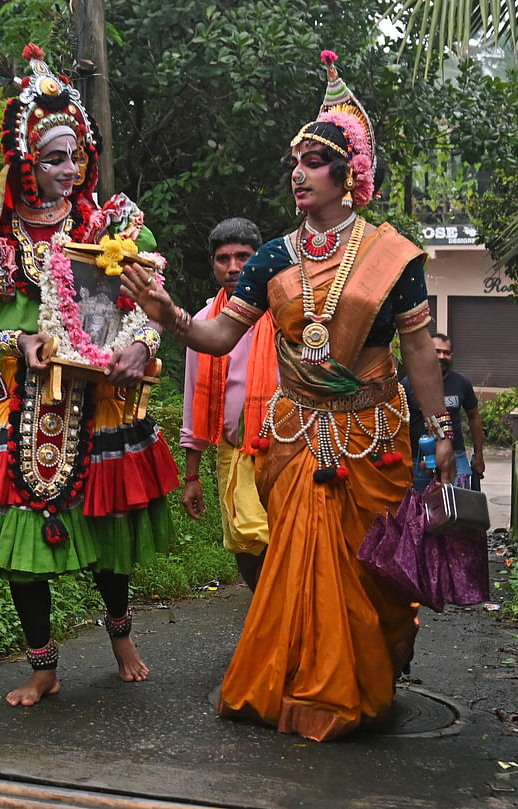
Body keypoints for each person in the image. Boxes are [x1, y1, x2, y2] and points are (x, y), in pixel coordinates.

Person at [120, 50, 457, 741]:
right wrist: (169, 314)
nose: (297, 174)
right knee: (296, 568)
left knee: (373, 575)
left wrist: (442, 428)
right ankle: (297, 686)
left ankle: (363, 680)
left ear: (349, 174)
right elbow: (218, 336)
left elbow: (419, 350)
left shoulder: (393, 257)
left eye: (313, 160)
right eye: (295, 163)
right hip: (297, 438)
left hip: (371, 435)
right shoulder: (273, 256)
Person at [0, 44, 178, 708]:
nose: (68, 170)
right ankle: (43, 666)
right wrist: (11, 337)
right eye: (53, 158)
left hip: (100, 403)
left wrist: (143, 342)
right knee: (21, 546)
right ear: (26, 163)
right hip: (23, 403)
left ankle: (121, 635)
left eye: (75, 156)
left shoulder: (107, 226)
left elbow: (148, 305)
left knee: (109, 533)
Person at [180, 218, 277, 589]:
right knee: (244, 539)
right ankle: (265, 613)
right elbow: (193, 399)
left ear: (261, 260)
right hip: (235, 450)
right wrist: (191, 476)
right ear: (213, 263)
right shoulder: (204, 322)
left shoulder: (285, 313)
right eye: (223, 258)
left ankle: (280, 619)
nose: (233, 267)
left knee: (285, 536)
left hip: (288, 448)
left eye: (243, 257)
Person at [402, 333, 485, 491]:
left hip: (455, 457)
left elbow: (474, 417)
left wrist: (479, 455)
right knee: (421, 510)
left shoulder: (462, 383)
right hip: (420, 460)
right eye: (437, 351)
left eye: (446, 353)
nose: (442, 356)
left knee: (458, 509)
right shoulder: (409, 384)